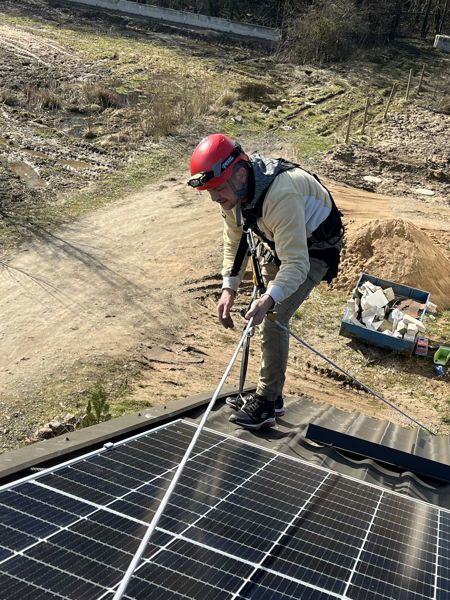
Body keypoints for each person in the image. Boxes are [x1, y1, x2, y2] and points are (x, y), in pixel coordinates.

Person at [187, 133, 344, 430]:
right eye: (209, 192)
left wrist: (270, 298)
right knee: (260, 310)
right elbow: (235, 240)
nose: (214, 198)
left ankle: (268, 402)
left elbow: (297, 263)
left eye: (217, 189)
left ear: (241, 174)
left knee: (273, 317)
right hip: (275, 238)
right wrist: (228, 288)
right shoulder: (236, 191)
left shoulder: (281, 195)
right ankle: (271, 393)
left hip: (314, 248)